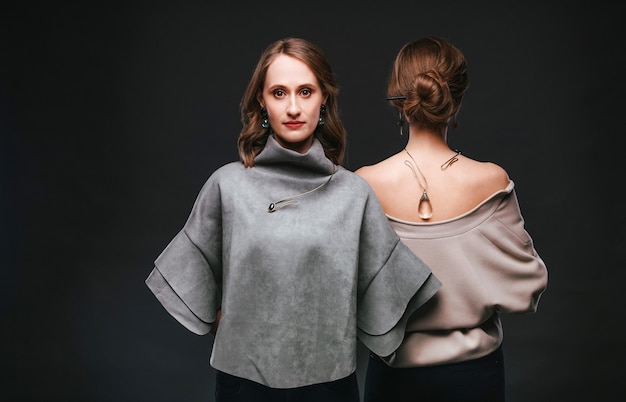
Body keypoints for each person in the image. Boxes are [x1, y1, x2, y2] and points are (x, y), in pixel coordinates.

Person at [145, 37, 441, 402]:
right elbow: (193, 286)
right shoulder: (227, 185)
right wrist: (241, 327)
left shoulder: (353, 193)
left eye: (305, 91)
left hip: (329, 386)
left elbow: (388, 298)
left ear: (324, 99)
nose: (293, 107)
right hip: (243, 385)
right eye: (279, 93)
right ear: (262, 101)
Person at [355, 36, 548, 402]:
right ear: (454, 100)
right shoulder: (491, 180)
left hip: (392, 374)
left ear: (398, 99)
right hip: (474, 375)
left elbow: (347, 293)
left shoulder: (365, 184)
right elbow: (528, 287)